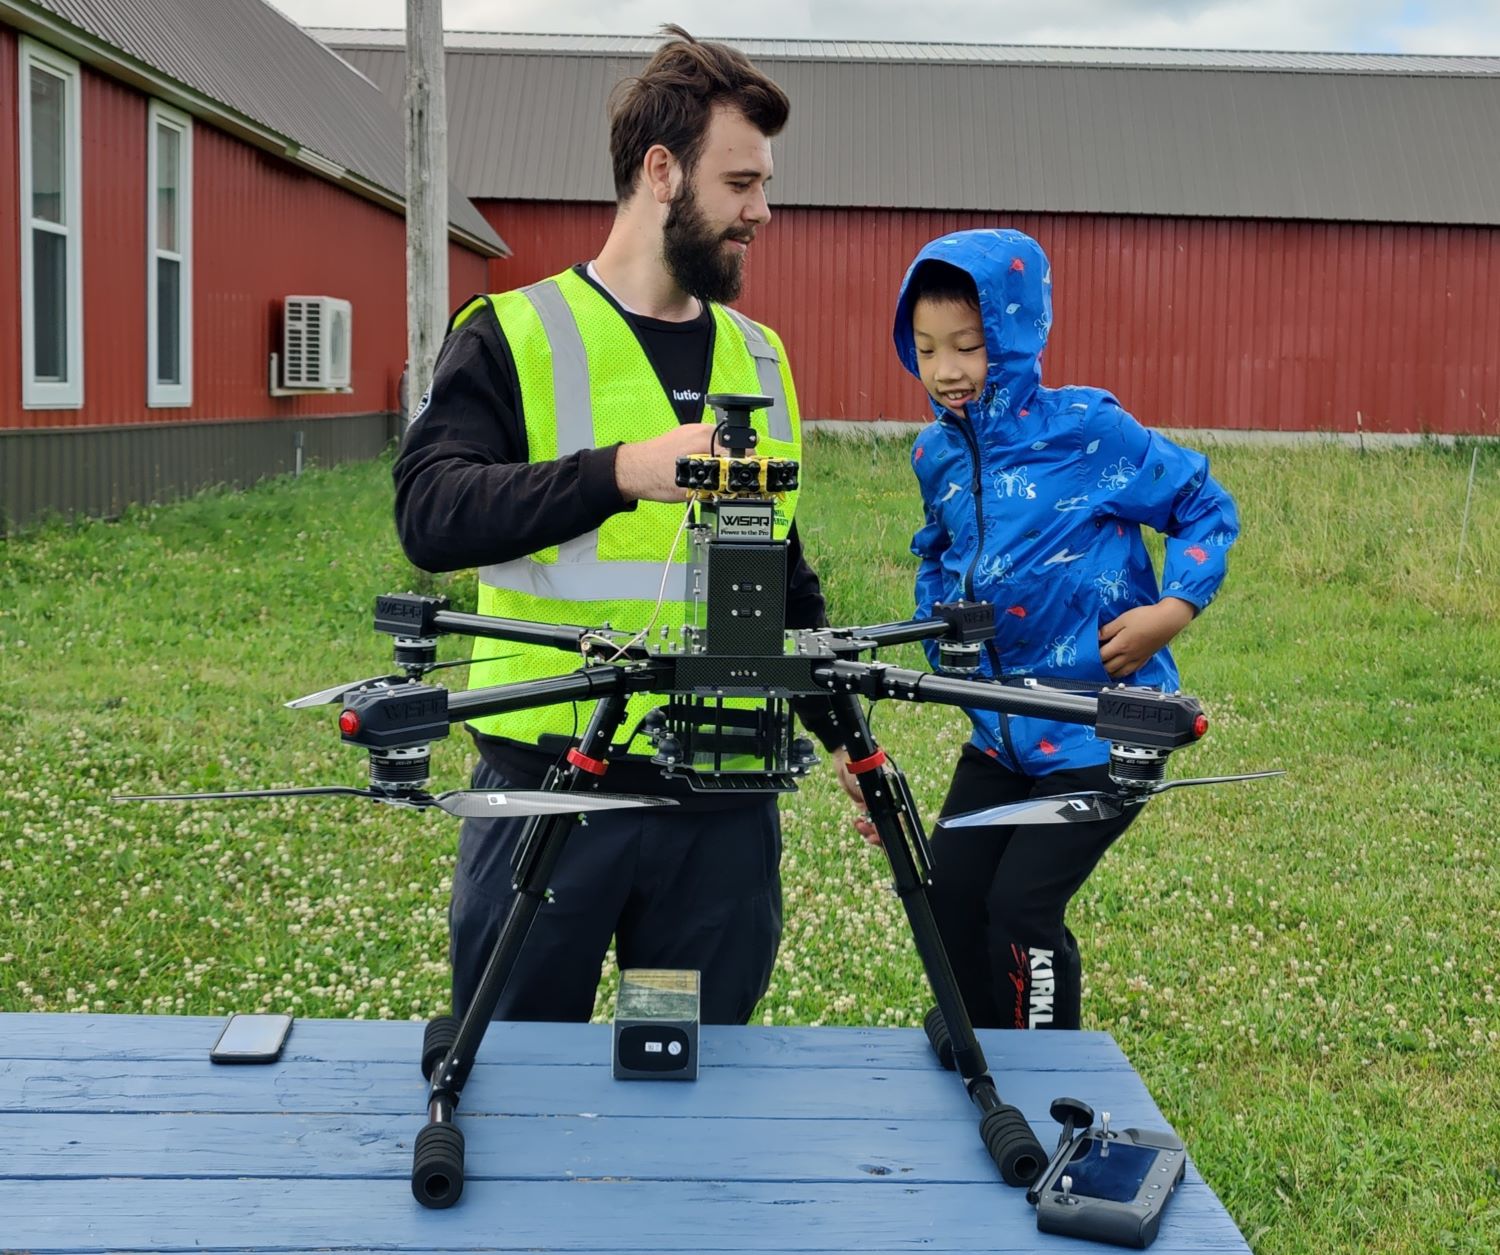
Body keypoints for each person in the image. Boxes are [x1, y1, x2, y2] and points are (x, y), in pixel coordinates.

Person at [393, 27, 856, 1026]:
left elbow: (780, 567)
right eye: (740, 183)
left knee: (679, 1078)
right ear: (661, 171)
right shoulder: (513, 332)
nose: (761, 212)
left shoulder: (762, 357)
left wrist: (850, 740)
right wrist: (623, 472)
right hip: (552, 789)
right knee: (518, 1075)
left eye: (763, 185)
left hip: (720, 808)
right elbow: (429, 512)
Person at [877, 227, 1239, 1031]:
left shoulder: (1085, 431)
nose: (945, 370)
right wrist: (942, 639)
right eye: (927, 347)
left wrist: (1171, 610)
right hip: (1002, 737)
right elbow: (938, 559)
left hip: (1101, 730)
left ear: (1014, 333)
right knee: (947, 897)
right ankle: (977, 1060)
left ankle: (1048, 1077)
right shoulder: (935, 453)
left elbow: (1203, 505)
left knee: (1020, 912)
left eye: (968, 346)